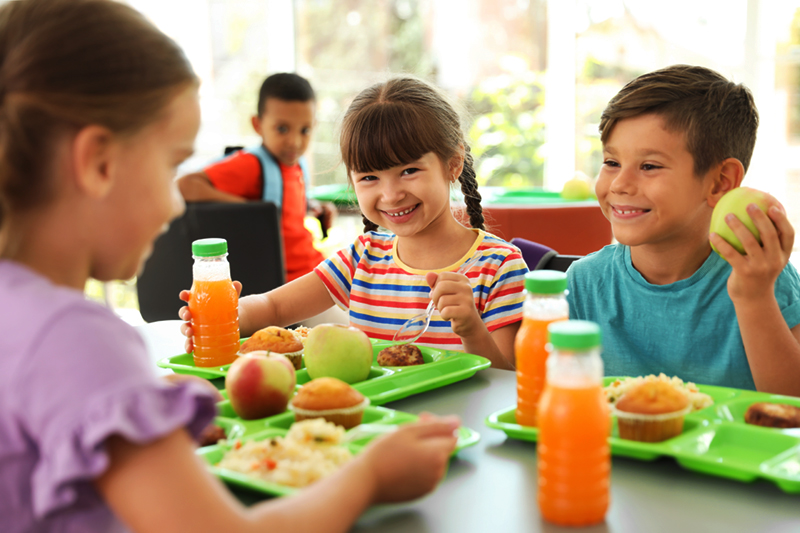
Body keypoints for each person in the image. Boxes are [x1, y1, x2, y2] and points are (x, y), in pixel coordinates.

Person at [0, 1, 459, 531]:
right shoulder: (79, 340)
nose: (177, 204)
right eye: (171, 163)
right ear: (98, 163)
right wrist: (369, 477)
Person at [181, 77, 528, 370]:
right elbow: (273, 307)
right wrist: (224, 314)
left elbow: (506, 379)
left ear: (452, 165)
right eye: (369, 178)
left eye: (408, 171)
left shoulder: (499, 266)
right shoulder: (363, 258)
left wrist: (470, 328)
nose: (391, 195)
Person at [567, 64, 800, 395]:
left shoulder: (762, 278)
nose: (620, 184)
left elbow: (792, 407)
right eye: (611, 162)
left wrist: (754, 298)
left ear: (720, 182)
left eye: (649, 166)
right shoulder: (585, 282)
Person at [177, 72, 334, 282]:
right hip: (287, 284)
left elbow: (286, 213)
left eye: (304, 130)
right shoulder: (250, 165)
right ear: (257, 125)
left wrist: (314, 208)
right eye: (282, 129)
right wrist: (249, 211)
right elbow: (185, 185)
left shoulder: (298, 165)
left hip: (314, 270)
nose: (295, 142)